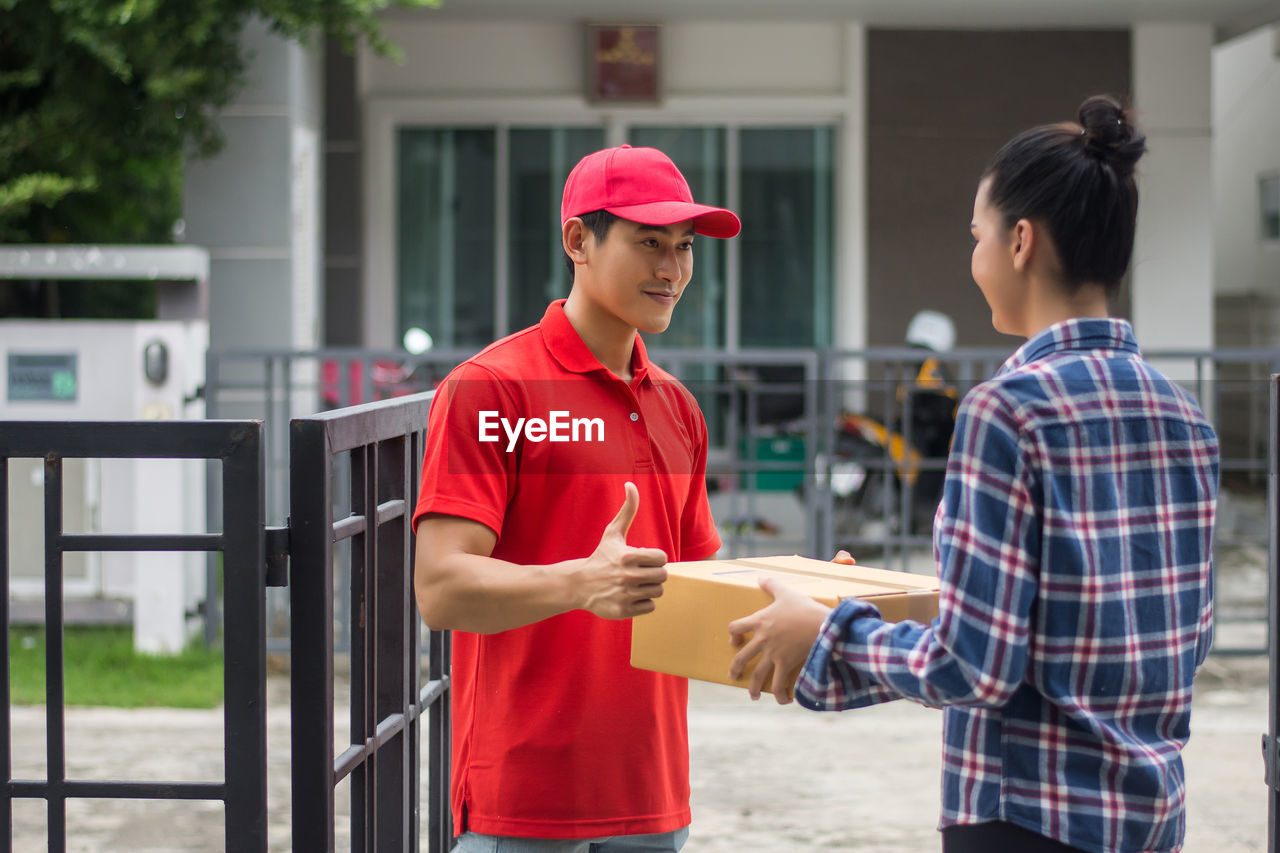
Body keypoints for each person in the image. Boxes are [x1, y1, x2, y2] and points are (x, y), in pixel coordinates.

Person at [727, 95, 1219, 853]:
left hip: (1027, 816)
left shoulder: (1007, 410)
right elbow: (1183, 631)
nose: (974, 254)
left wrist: (829, 631)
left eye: (976, 234)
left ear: (1020, 241)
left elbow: (973, 665)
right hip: (1150, 815)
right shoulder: (1185, 416)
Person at [412, 144, 740, 852]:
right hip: (524, 804)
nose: (672, 268)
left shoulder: (678, 408)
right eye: (649, 241)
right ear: (577, 240)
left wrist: (809, 599)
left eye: (683, 247)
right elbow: (440, 587)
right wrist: (581, 582)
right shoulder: (491, 389)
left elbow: (697, 594)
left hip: (652, 801)